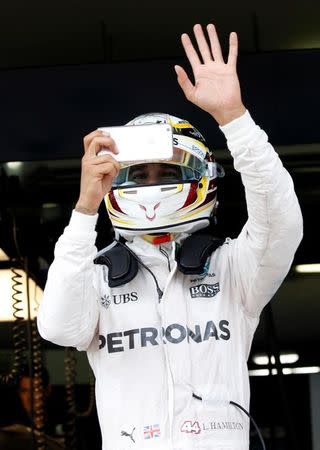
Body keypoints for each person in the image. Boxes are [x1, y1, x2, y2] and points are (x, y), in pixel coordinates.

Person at [37, 23, 303, 450]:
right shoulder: (96, 274)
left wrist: (234, 119)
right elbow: (59, 328)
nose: (152, 183)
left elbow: (282, 223)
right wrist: (84, 211)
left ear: (201, 175)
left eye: (169, 170)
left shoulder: (233, 268)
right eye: (139, 173)